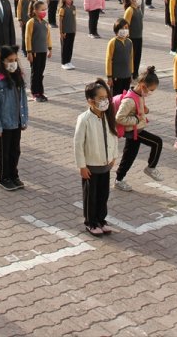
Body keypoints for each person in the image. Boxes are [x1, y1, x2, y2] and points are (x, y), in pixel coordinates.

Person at [74, 79, 118, 237]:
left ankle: (101, 219)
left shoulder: (108, 116)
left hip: (105, 165)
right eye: (100, 98)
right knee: (90, 196)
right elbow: (78, 144)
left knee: (103, 195)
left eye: (106, 97)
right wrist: (82, 166)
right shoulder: (84, 119)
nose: (105, 101)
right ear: (90, 101)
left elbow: (114, 136)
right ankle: (91, 222)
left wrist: (113, 156)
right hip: (91, 166)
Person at [113, 66, 164, 192]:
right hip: (134, 130)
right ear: (142, 85)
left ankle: (118, 180)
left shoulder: (138, 94)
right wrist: (135, 120)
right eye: (150, 90)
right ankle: (151, 168)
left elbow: (139, 107)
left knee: (129, 155)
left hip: (136, 131)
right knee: (157, 142)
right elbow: (119, 118)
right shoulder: (129, 100)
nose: (150, 93)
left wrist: (145, 110)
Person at [0, 46, 29, 190]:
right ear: (2, 61)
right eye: (9, 60)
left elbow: (23, 101)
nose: (13, 63)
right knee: (4, 152)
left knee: (15, 151)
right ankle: (4, 176)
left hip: (16, 122)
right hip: (4, 124)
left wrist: (24, 120)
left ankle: (14, 174)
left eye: (15, 60)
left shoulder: (18, 79)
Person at [24, 1, 53, 102]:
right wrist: (29, 52)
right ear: (35, 11)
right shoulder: (31, 22)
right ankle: (35, 92)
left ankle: (40, 92)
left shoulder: (45, 23)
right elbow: (27, 37)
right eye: (42, 9)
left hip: (43, 51)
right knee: (35, 72)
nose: (44, 11)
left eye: (45, 9)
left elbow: (48, 37)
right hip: (35, 52)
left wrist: (50, 48)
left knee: (41, 72)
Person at [105, 18, 135, 97]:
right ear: (117, 29)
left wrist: (131, 73)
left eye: (126, 28)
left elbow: (131, 58)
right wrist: (109, 76)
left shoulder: (129, 42)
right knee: (116, 96)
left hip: (127, 75)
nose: (125, 30)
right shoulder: (113, 42)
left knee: (124, 96)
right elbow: (108, 60)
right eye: (122, 28)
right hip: (116, 76)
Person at [123, 0, 144, 79]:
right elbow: (125, 25)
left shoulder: (138, 9)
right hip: (132, 38)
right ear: (131, 0)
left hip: (139, 37)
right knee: (132, 57)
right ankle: (131, 73)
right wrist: (126, 37)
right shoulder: (130, 10)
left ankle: (135, 72)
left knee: (138, 56)